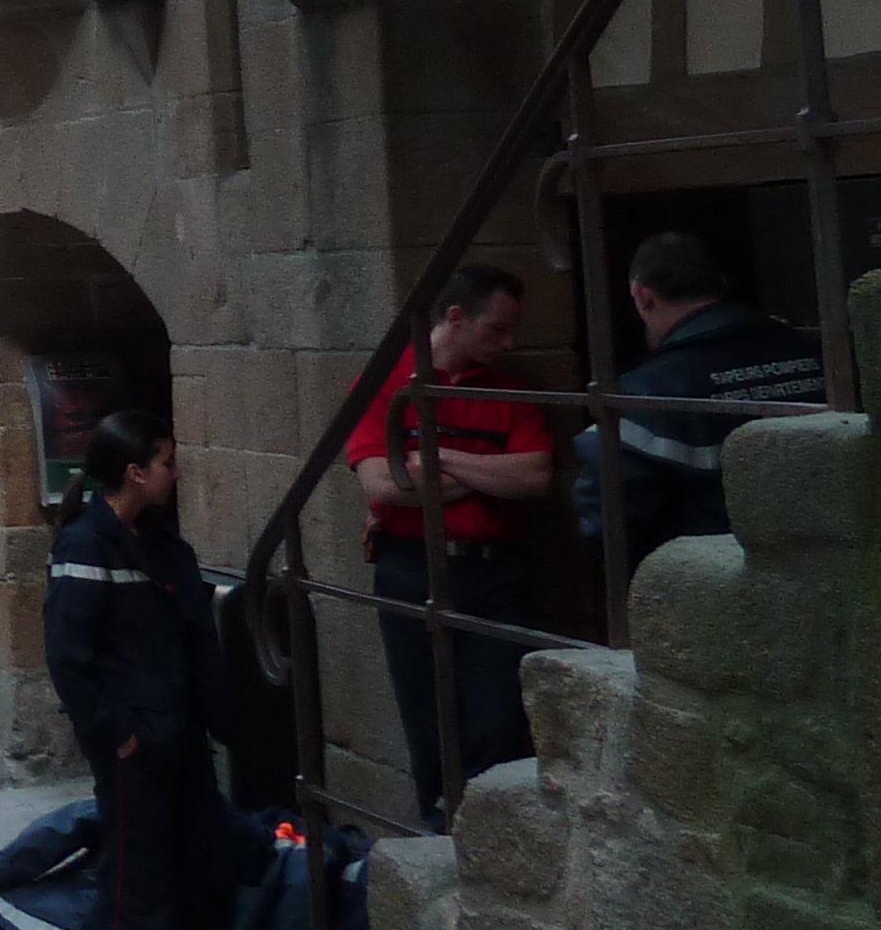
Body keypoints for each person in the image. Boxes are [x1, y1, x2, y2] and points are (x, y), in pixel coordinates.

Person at [42, 413, 239, 930]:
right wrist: (118, 736)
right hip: (137, 748)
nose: (175, 473)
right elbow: (71, 656)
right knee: (139, 877)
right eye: (167, 461)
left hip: (181, 738)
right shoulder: (87, 546)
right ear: (135, 471)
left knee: (203, 866)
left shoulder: (159, 544)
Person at [346, 262, 553, 828]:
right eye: (496, 330)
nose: (508, 344)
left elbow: (535, 476)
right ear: (456, 318)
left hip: (495, 571)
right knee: (429, 722)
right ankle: (446, 841)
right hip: (412, 567)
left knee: (498, 721)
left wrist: (441, 460)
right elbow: (384, 484)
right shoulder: (386, 384)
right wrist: (490, 471)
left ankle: (498, 843)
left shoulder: (510, 390)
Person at [602, 233, 822, 566]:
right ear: (722, 284)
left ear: (642, 295)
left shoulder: (647, 390)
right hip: (829, 560)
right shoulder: (814, 354)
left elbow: (610, 514)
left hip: (714, 577)